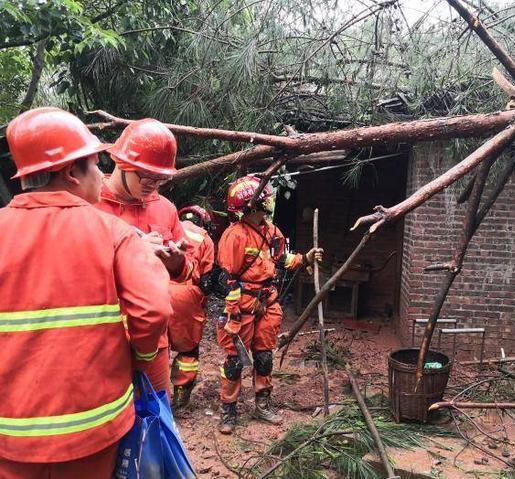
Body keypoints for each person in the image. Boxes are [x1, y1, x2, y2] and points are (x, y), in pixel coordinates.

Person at [0, 107, 171, 478]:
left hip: (9, 435)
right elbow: (154, 309)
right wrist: (141, 358)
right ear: (70, 173)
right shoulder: (110, 231)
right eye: (95, 164)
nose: (101, 175)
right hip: (95, 429)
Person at [216, 175, 323, 434]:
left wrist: (304, 259)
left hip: (268, 302)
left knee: (264, 357)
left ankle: (262, 404)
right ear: (252, 205)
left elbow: (281, 258)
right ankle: (228, 410)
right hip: (242, 306)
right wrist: (232, 313)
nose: (269, 203)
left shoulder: (272, 231)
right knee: (234, 360)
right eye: (265, 200)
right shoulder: (235, 235)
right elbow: (225, 278)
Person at [96, 118, 195, 397]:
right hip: (103, 339)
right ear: (122, 163)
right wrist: (134, 252)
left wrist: (177, 263)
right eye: (147, 176)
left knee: (156, 424)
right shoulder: (88, 202)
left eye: (161, 178)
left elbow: (187, 273)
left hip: (154, 342)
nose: (154, 185)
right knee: (112, 425)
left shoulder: (165, 208)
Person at [169, 206, 215, 409]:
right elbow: (206, 279)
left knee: (153, 348)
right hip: (185, 296)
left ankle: (150, 397)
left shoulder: (167, 229)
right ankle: (180, 401)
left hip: (155, 290)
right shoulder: (205, 239)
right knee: (188, 350)